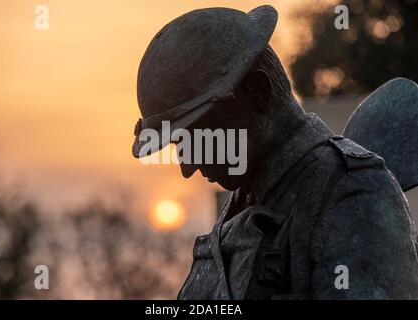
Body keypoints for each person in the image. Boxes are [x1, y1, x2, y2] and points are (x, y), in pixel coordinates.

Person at [132, 5, 418, 299]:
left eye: (196, 137)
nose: (187, 166)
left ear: (257, 90)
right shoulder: (242, 206)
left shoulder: (354, 194)